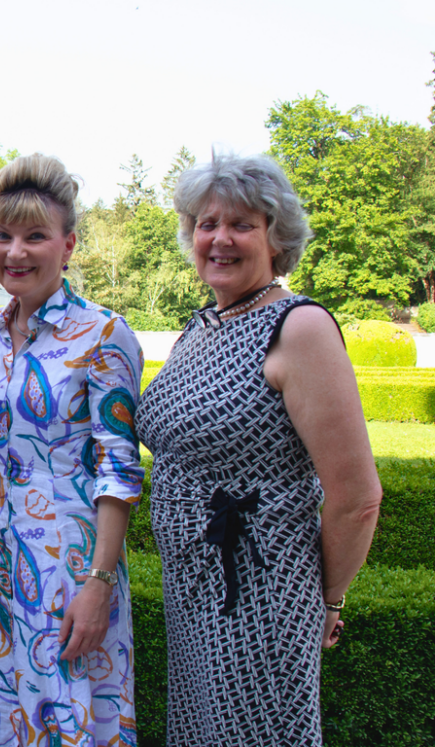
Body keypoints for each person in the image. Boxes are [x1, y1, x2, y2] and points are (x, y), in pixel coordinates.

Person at [134, 153, 383, 746]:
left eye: (242, 224)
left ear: (276, 238)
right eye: (206, 223)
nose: (219, 238)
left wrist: (325, 600)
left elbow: (358, 499)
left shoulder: (298, 328)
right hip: (193, 590)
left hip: (262, 594)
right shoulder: (202, 328)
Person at [0, 154, 145, 747]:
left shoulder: (105, 334)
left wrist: (99, 584)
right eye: (2, 235)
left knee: (69, 721)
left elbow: (119, 470)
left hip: (69, 572)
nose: (16, 252)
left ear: (67, 245)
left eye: (35, 236)